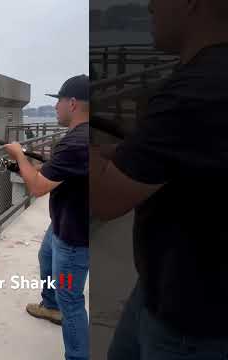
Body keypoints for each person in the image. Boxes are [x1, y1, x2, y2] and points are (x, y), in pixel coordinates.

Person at [90, 0, 228, 359]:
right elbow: (170, 157)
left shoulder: (196, 90)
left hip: (192, 319)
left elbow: (105, 200)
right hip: (165, 289)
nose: (150, 6)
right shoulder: (205, 80)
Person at [4, 75, 90, 360]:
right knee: (45, 256)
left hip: (75, 236)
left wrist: (19, 155)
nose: (55, 107)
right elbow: (65, 170)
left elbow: (38, 187)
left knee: (72, 301)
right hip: (64, 222)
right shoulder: (83, 137)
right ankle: (50, 305)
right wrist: (36, 161)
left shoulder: (77, 142)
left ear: (73, 103)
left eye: (59, 101)